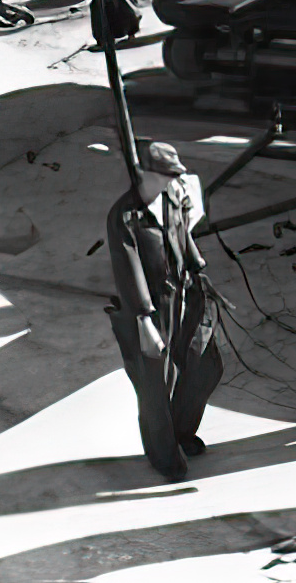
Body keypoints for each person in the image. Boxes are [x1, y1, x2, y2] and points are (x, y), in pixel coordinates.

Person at [106, 141, 222, 480]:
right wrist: (144, 321)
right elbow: (128, 270)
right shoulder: (124, 216)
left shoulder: (171, 199)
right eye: (166, 176)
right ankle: (163, 455)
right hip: (150, 310)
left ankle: (181, 432)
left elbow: (181, 232)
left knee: (206, 365)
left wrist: (196, 263)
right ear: (144, 173)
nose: (173, 181)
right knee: (154, 385)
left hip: (184, 293)